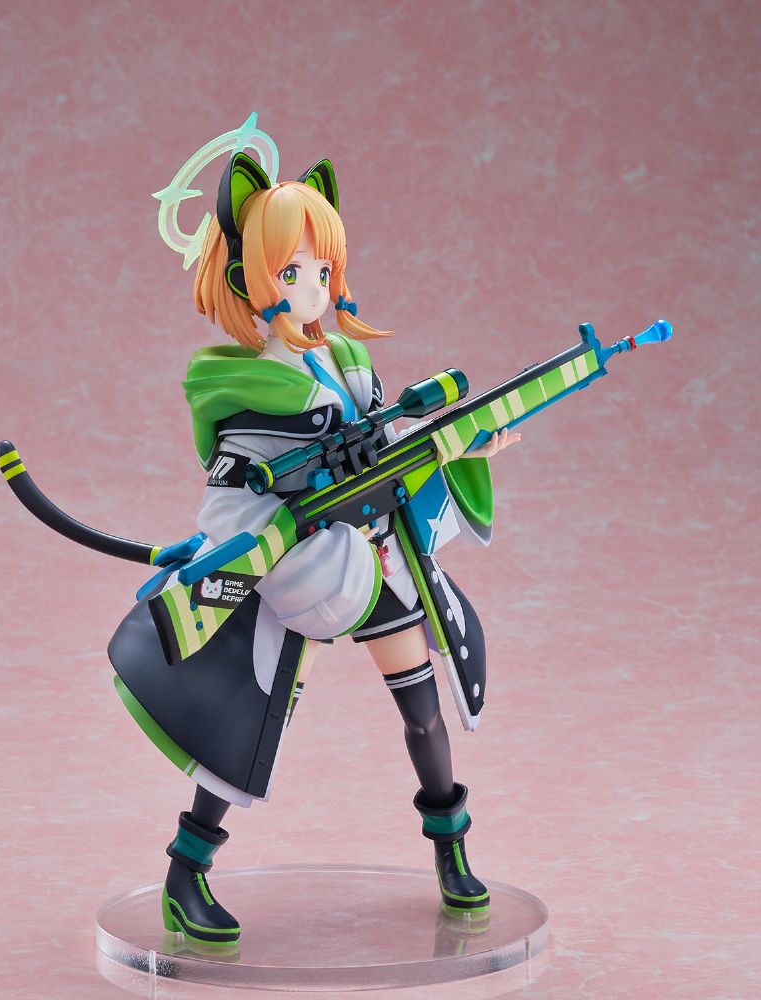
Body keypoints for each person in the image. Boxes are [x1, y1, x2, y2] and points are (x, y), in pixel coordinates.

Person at [109, 153, 519, 948]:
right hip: (293, 573)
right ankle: (186, 874)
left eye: (323, 269)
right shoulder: (240, 384)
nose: (313, 286)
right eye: (293, 270)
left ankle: (452, 850)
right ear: (250, 278)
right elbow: (233, 494)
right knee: (245, 723)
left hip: (372, 556)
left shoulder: (347, 363)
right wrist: (264, 543)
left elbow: (397, 443)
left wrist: (466, 442)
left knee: (423, 712)